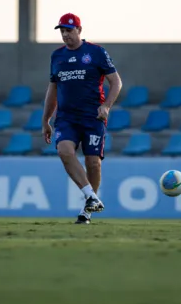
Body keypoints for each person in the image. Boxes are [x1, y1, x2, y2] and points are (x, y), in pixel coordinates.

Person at [41, 13, 123, 224]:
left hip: (92, 117)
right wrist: (46, 120)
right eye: (62, 31)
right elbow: (53, 88)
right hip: (66, 118)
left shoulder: (96, 52)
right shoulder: (56, 57)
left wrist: (106, 106)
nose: (65, 35)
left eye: (69, 30)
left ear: (79, 30)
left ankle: (86, 211)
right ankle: (92, 197)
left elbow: (116, 83)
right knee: (64, 151)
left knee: (93, 163)